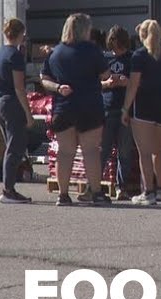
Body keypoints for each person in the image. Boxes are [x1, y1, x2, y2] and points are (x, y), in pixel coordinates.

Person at [40, 13, 112, 207]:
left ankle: (63, 195)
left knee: (65, 152)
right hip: (89, 105)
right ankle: (96, 192)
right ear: (84, 30)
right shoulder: (92, 50)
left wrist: (58, 88)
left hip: (63, 107)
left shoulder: (55, 53)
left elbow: (44, 79)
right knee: (90, 150)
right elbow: (105, 73)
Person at [121, 19, 161, 206]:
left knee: (144, 152)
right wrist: (157, 29)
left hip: (143, 106)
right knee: (159, 150)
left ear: (141, 36)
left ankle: (148, 192)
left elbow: (133, 85)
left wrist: (125, 108)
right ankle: (160, 189)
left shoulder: (138, 56)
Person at [0, 18, 35, 204]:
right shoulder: (15, 56)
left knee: (10, 146)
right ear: (20, 34)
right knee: (15, 147)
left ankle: (9, 188)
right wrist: (28, 113)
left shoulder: (0, 54)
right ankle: (8, 190)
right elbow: (19, 88)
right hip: (11, 103)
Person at [100, 25, 137, 196]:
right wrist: (107, 84)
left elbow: (137, 83)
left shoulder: (132, 59)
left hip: (125, 110)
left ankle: (121, 187)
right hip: (107, 109)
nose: (116, 47)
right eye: (113, 43)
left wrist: (125, 82)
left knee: (125, 151)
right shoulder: (104, 59)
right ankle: (95, 186)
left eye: (119, 44)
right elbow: (95, 83)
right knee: (103, 150)